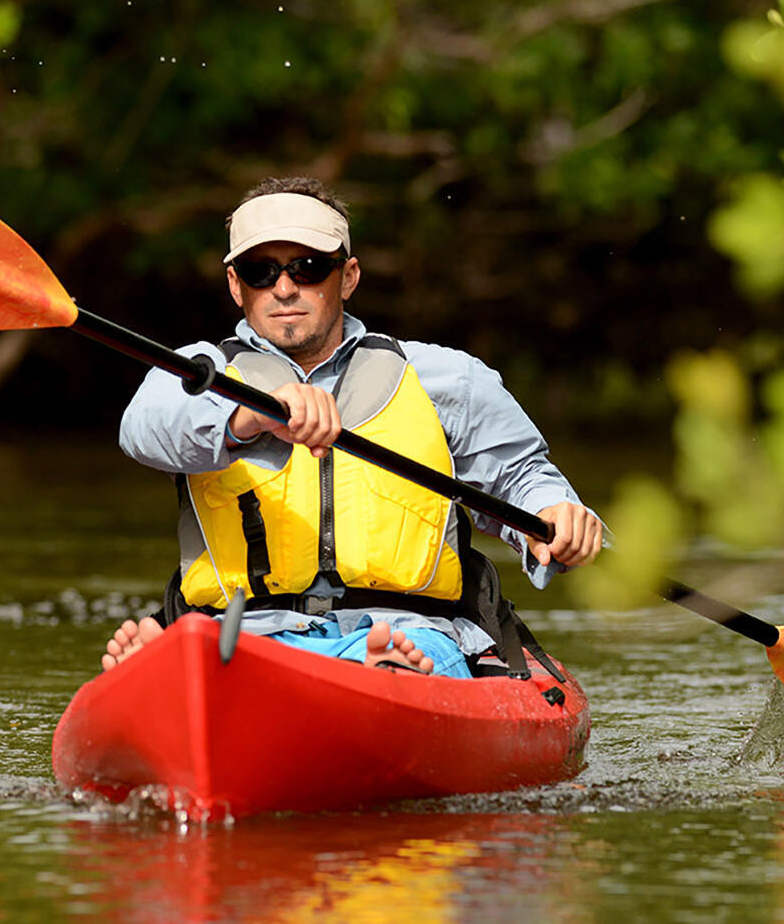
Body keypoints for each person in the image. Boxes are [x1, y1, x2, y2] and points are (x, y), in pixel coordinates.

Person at [102, 176, 604, 676]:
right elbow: (143, 432)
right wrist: (249, 417)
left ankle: (385, 670)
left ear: (348, 276)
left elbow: (521, 476)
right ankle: (181, 665)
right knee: (220, 649)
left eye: (308, 268)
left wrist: (552, 514)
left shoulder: (446, 378)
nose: (284, 288)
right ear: (236, 285)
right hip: (246, 633)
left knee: (404, 652)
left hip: (407, 627)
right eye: (260, 272)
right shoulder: (197, 374)